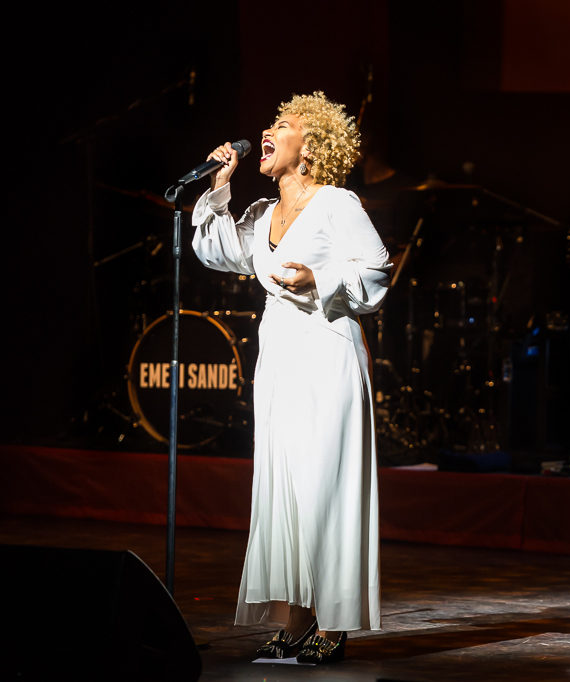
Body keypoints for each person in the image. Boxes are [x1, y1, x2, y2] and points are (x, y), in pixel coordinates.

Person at [192, 91, 391, 664]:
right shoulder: (260, 214)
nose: (268, 130)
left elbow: (377, 272)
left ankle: (334, 621)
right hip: (279, 355)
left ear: (312, 146)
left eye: (283, 124)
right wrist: (218, 188)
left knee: (323, 486)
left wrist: (320, 279)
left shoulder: (336, 203)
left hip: (327, 350)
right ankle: (298, 621)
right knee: (286, 491)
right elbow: (216, 251)